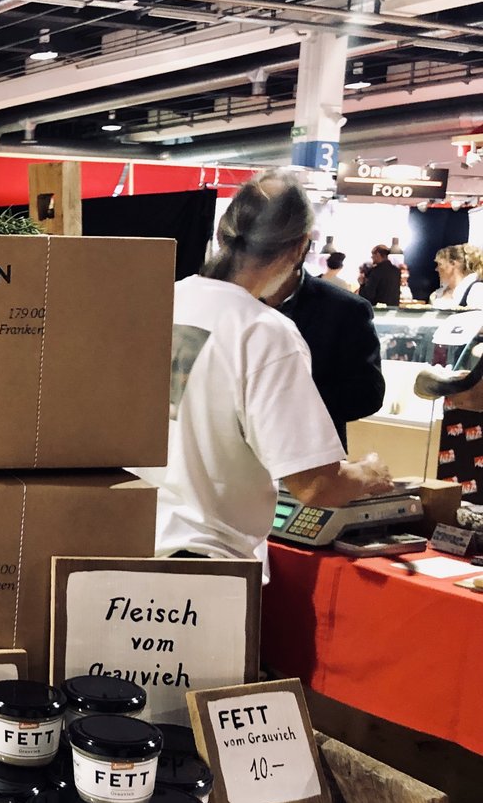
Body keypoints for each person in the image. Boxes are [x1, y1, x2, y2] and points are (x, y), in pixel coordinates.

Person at [133, 170, 393, 576]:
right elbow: (316, 485)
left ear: (223, 232)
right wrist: (367, 474)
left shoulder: (163, 299)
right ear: (300, 246)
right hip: (205, 561)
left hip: (129, 537)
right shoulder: (264, 330)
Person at [264, 262, 385, 449]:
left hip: (310, 452)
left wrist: (289, 402)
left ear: (298, 249)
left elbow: (368, 394)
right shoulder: (232, 300)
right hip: (232, 454)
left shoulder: (344, 307)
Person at [428, 244, 483, 308]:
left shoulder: (477, 290)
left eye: (440, 264)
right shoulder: (438, 294)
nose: (437, 269)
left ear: (453, 263)